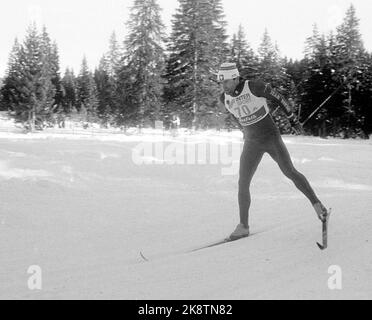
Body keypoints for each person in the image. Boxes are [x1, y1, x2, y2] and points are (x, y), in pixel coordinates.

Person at [217, 62, 329, 241]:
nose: (224, 87)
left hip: (270, 138)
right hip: (252, 143)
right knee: (243, 182)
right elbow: (236, 117)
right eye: (221, 83)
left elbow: (279, 97)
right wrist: (244, 131)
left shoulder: (253, 87)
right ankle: (243, 226)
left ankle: (318, 205)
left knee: (289, 172)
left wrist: (292, 118)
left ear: (236, 78)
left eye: (227, 82)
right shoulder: (225, 98)